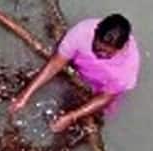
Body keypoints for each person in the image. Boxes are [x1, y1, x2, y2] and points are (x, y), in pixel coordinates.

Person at [9, 14, 141, 132]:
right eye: (97, 47)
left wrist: (72, 117)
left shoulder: (128, 67)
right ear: (95, 32)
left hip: (100, 89)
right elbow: (55, 64)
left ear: (122, 47)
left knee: (87, 122)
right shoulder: (82, 32)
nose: (100, 54)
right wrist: (25, 95)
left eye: (107, 53)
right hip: (77, 70)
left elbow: (106, 97)